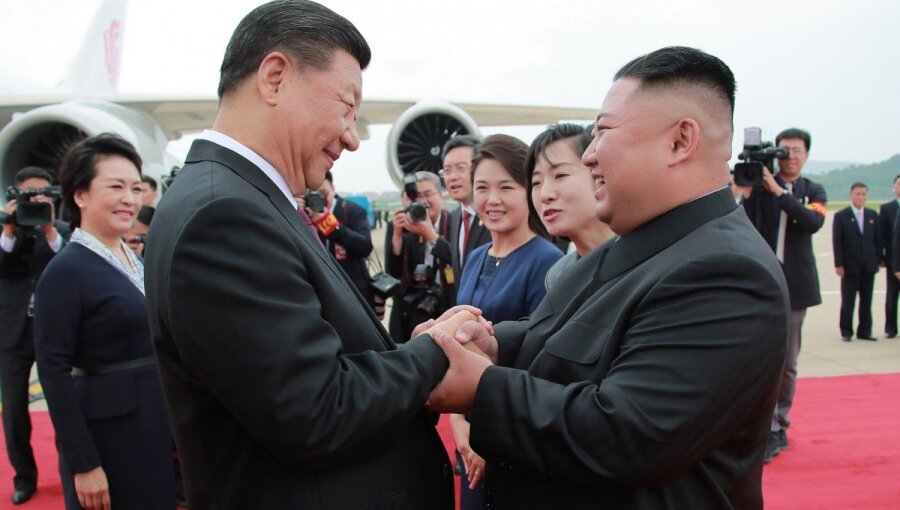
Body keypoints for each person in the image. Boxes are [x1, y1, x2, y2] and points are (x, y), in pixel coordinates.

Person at [425, 46, 790, 510]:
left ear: (680, 141)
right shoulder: (641, 243)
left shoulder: (727, 272)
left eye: (602, 133)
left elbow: (628, 435)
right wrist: (492, 344)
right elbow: (564, 337)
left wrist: (482, 387)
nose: (590, 155)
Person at [143, 2, 471, 508]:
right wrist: (434, 352)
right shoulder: (224, 215)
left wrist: (409, 353)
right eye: (346, 107)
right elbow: (316, 411)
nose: (353, 138)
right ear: (274, 78)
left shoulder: (238, 198)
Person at [33, 133, 176, 510]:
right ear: (80, 195)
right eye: (115, 187)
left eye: (135, 187)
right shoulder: (65, 271)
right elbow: (53, 370)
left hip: (151, 428)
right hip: (109, 437)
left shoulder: (135, 260)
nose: (129, 199)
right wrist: (84, 463)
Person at [450, 134, 562, 509]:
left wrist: (487, 437)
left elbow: (538, 363)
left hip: (513, 439)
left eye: (506, 187)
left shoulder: (547, 263)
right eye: (482, 187)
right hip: (468, 433)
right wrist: (460, 427)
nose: (492, 199)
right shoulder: (476, 255)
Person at [742, 127, 826, 463]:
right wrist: (747, 191)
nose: (790, 156)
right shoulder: (758, 187)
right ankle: (753, 425)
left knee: (786, 363)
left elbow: (812, 221)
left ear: (806, 155)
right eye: (784, 151)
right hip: (759, 284)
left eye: (796, 150)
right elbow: (741, 221)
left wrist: (779, 191)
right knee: (754, 360)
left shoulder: (812, 190)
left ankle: (778, 426)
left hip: (795, 287)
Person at [0, 166, 69, 505]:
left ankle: (71, 473)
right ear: (14, 195)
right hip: (12, 332)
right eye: (28, 194)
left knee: (63, 406)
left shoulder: (61, 232)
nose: (35, 200)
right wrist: (9, 227)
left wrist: (48, 225)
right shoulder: (4, 231)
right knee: (13, 412)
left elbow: (67, 262)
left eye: (42, 194)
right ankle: (24, 477)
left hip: (52, 330)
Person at [526, 123, 614, 289]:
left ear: (599, 174)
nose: (545, 195)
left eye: (560, 175)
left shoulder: (647, 259)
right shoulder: (558, 275)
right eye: (536, 182)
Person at [386, 171, 453, 341]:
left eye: (428, 194)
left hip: (447, 308)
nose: (423, 201)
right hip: (411, 310)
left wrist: (431, 235)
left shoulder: (455, 223)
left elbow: (460, 263)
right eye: (418, 195)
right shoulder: (405, 226)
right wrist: (397, 240)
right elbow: (393, 275)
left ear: (441, 195)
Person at [298, 171, 375, 310]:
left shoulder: (352, 210)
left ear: (333, 188)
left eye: (323, 192)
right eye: (313, 194)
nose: (318, 198)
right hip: (321, 292)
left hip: (354, 289)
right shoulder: (303, 213)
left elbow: (365, 246)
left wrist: (329, 225)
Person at [433, 135, 491, 304]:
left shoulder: (495, 214)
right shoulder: (456, 217)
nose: (452, 177)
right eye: (447, 170)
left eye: (461, 168)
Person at [833, 183, 881, 341]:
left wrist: (879, 260)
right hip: (849, 266)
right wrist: (839, 264)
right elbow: (837, 242)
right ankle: (846, 331)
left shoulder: (873, 215)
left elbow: (878, 240)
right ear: (851, 195)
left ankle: (865, 331)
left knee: (866, 301)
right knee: (848, 301)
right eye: (857, 194)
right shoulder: (841, 216)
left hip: (868, 266)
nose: (860, 197)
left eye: (863, 194)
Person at [878, 175, 900, 338]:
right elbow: (881, 235)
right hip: (894, 260)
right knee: (892, 295)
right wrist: (883, 257)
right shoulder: (887, 208)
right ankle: (890, 327)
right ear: (894, 187)